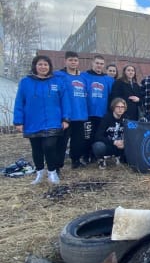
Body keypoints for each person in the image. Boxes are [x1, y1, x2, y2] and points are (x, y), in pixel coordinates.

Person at [13, 55, 71, 185]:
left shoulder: (57, 81)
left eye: (46, 64)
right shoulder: (25, 82)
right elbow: (19, 102)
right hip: (32, 121)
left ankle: (52, 171)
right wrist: (18, 121)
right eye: (40, 64)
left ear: (50, 66)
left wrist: (66, 118)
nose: (43, 67)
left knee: (49, 146)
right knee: (36, 148)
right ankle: (39, 172)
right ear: (35, 66)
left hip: (53, 120)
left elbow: (65, 101)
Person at [54, 51, 89, 170]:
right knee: (62, 141)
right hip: (66, 116)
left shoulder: (82, 77)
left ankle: (76, 160)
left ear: (78, 62)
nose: (73, 62)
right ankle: (57, 165)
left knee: (78, 141)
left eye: (75, 60)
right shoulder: (58, 75)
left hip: (80, 114)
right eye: (70, 60)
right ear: (66, 61)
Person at [82, 55, 115, 163]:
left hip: (102, 113)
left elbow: (112, 97)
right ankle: (85, 156)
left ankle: (95, 155)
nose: (99, 65)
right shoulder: (84, 76)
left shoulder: (108, 79)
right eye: (97, 63)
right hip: (88, 113)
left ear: (103, 65)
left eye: (101, 64)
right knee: (87, 136)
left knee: (98, 135)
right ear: (92, 63)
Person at [93, 98, 127, 170]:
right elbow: (98, 136)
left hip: (121, 145)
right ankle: (101, 160)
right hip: (109, 144)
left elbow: (131, 134)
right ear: (113, 107)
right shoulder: (106, 118)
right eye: (118, 107)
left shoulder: (126, 119)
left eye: (122, 107)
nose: (120, 109)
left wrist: (124, 142)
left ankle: (119, 157)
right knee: (98, 146)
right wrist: (114, 142)